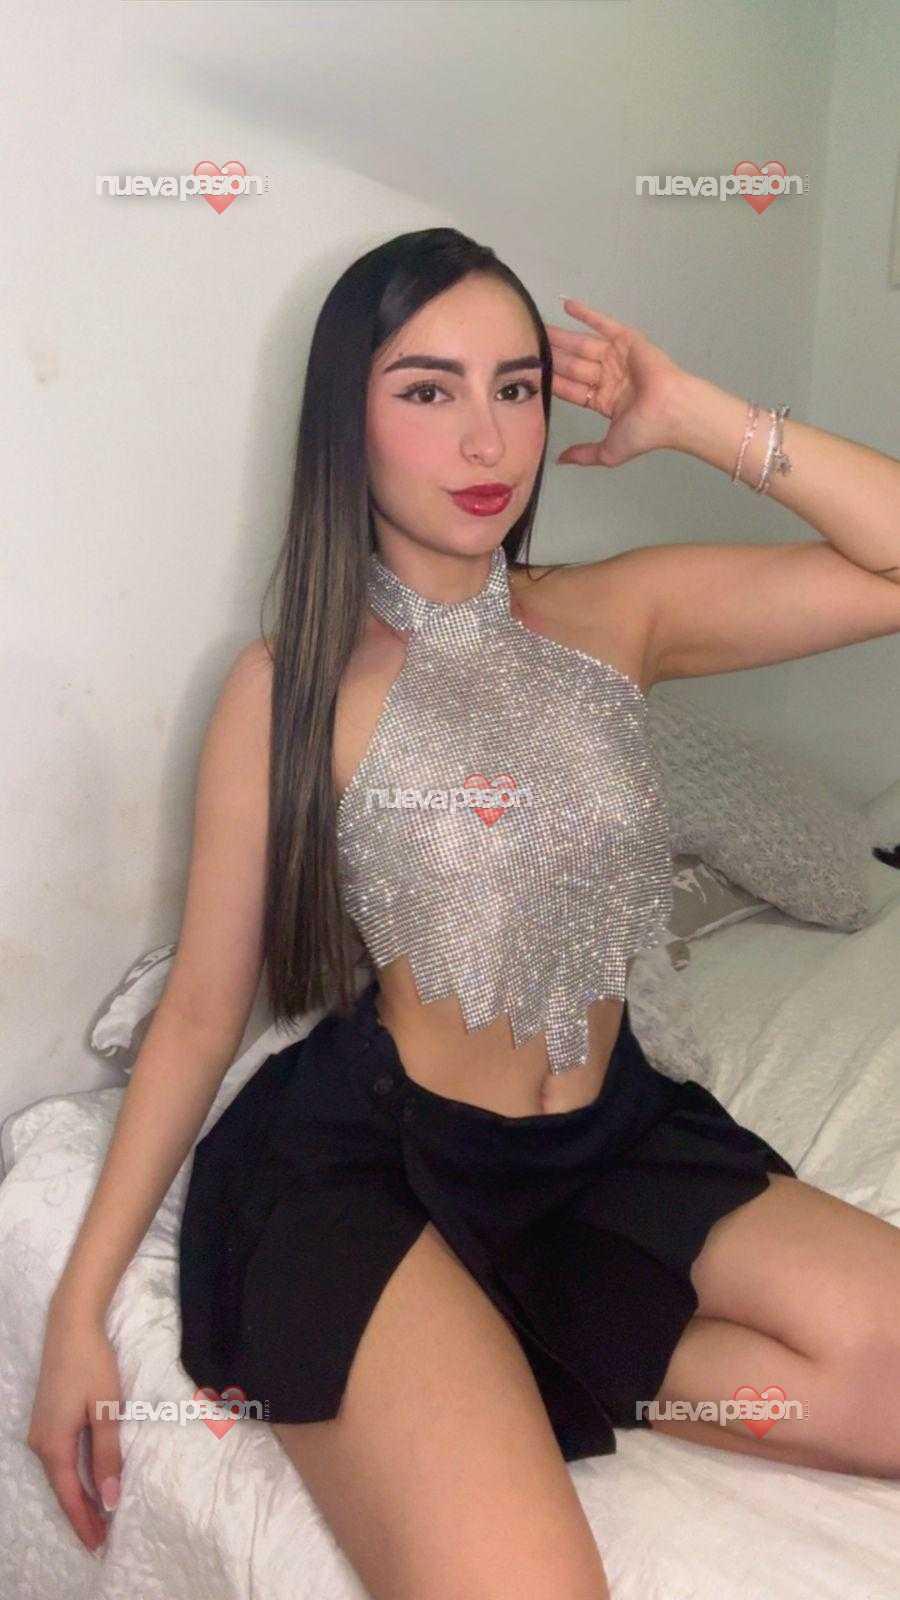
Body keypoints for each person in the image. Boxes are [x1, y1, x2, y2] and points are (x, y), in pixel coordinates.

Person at [28, 228, 900, 1597]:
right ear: (348, 420)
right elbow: (200, 1014)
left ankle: (560, 1339)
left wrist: (693, 415)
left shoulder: (615, 614)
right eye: (429, 390)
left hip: (608, 1142)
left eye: (517, 388)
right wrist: (76, 1313)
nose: (487, 439)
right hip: (376, 1171)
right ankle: (467, 1348)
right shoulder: (288, 688)